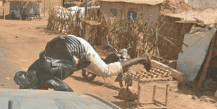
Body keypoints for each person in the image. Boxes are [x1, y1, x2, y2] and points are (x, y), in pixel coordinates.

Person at [14, 35, 151, 92]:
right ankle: (114, 56)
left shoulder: (45, 78)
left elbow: (67, 91)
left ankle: (142, 58)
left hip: (78, 48)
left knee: (104, 71)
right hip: (68, 42)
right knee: (95, 66)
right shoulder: (32, 69)